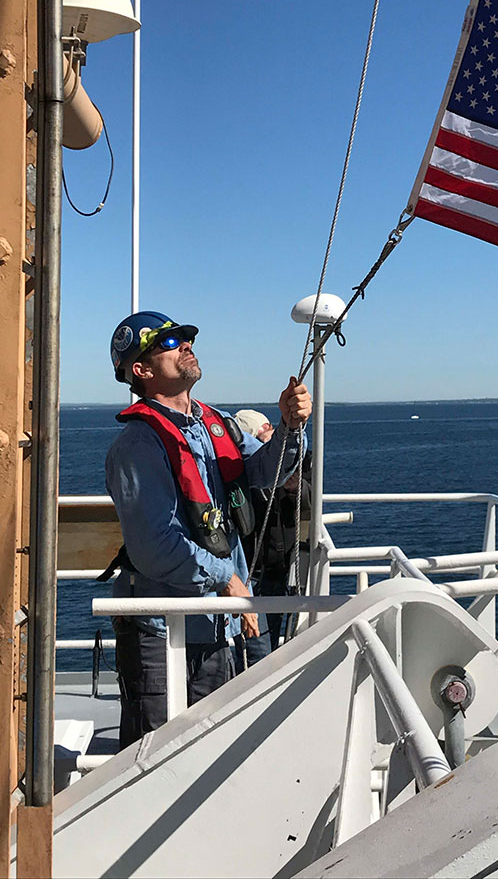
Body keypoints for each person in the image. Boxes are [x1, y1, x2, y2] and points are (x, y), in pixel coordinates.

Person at [104, 310, 311, 749]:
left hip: (217, 628)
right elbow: (154, 544)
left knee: (211, 754)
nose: (185, 345)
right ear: (140, 370)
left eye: (185, 338)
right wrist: (227, 579)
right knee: (153, 764)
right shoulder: (139, 446)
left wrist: (290, 430)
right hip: (164, 637)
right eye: (169, 343)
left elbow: (260, 473)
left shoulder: (213, 425)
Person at [232, 410, 311, 666]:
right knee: (258, 653)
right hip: (249, 575)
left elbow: (308, 502)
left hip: (277, 571)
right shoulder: (240, 469)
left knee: (269, 646)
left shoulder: (296, 463)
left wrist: (288, 479)